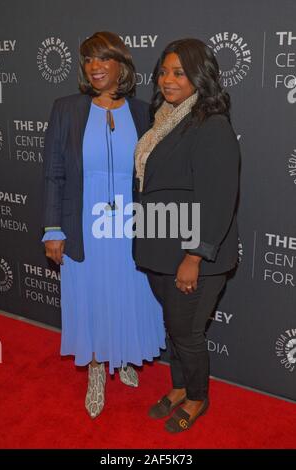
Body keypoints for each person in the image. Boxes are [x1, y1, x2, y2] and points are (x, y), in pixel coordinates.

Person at [42, 31, 165, 419]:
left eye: (103, 59)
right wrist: (53, 229)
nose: (95, 67)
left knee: (128, 293)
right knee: (91, 295)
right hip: (83, 224)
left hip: (129, 225)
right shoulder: (66, 109)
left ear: (121, 65)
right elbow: (53, 174)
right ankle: (97, 368)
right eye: (89, 59)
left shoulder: (144, 112)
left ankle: (123, 355)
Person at [134, 38, 240, 433]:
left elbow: (218, 200)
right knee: (173, 328)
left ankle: (197, 396)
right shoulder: (163, 122)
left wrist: (194, 256)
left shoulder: (211, 127)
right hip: (161, 249)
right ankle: (179, 387)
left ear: (199, 76)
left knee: (187, 332)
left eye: (179, 72)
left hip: (194, 257)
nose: (167, 79)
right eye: (163, 71)